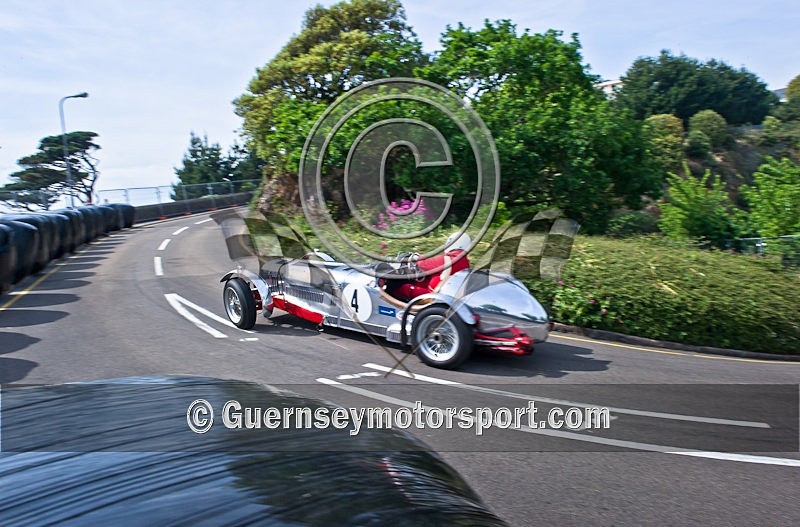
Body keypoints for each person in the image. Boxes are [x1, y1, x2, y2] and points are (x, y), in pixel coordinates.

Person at [393, 232, 471, 301]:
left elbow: (422, 263)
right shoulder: (465, 263)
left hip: (433, 297)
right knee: (420, 282)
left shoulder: (450, 259)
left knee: (402, 288)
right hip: (444, 296)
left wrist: (413, 257)